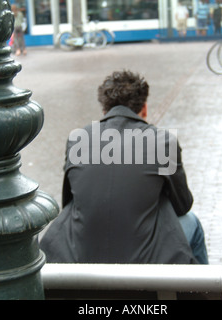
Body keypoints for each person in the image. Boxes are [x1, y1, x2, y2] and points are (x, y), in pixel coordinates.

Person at [40, 70, 208, 265]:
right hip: (148, 258)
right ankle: (202, 290)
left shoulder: (78, 139)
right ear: (144, 109)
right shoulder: (163, 141)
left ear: (104, 110)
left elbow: (70, 201)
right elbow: (182, 205)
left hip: (82, 253)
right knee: (192, 223)